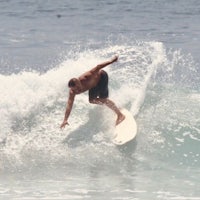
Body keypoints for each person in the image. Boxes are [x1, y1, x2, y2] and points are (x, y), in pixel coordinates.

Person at [60, 55, 125, 129]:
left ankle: (120, 115)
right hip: (93, 85)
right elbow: (69, 105)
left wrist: (111, 61)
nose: (77, 90)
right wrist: (65, 119)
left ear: (80, 82)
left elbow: (98, 67)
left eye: (78, 87)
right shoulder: (73, 92)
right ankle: (112, 105)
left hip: (102, 78)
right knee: (92, 100)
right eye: (75, 89)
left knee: (103, 99)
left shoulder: (87, 77)